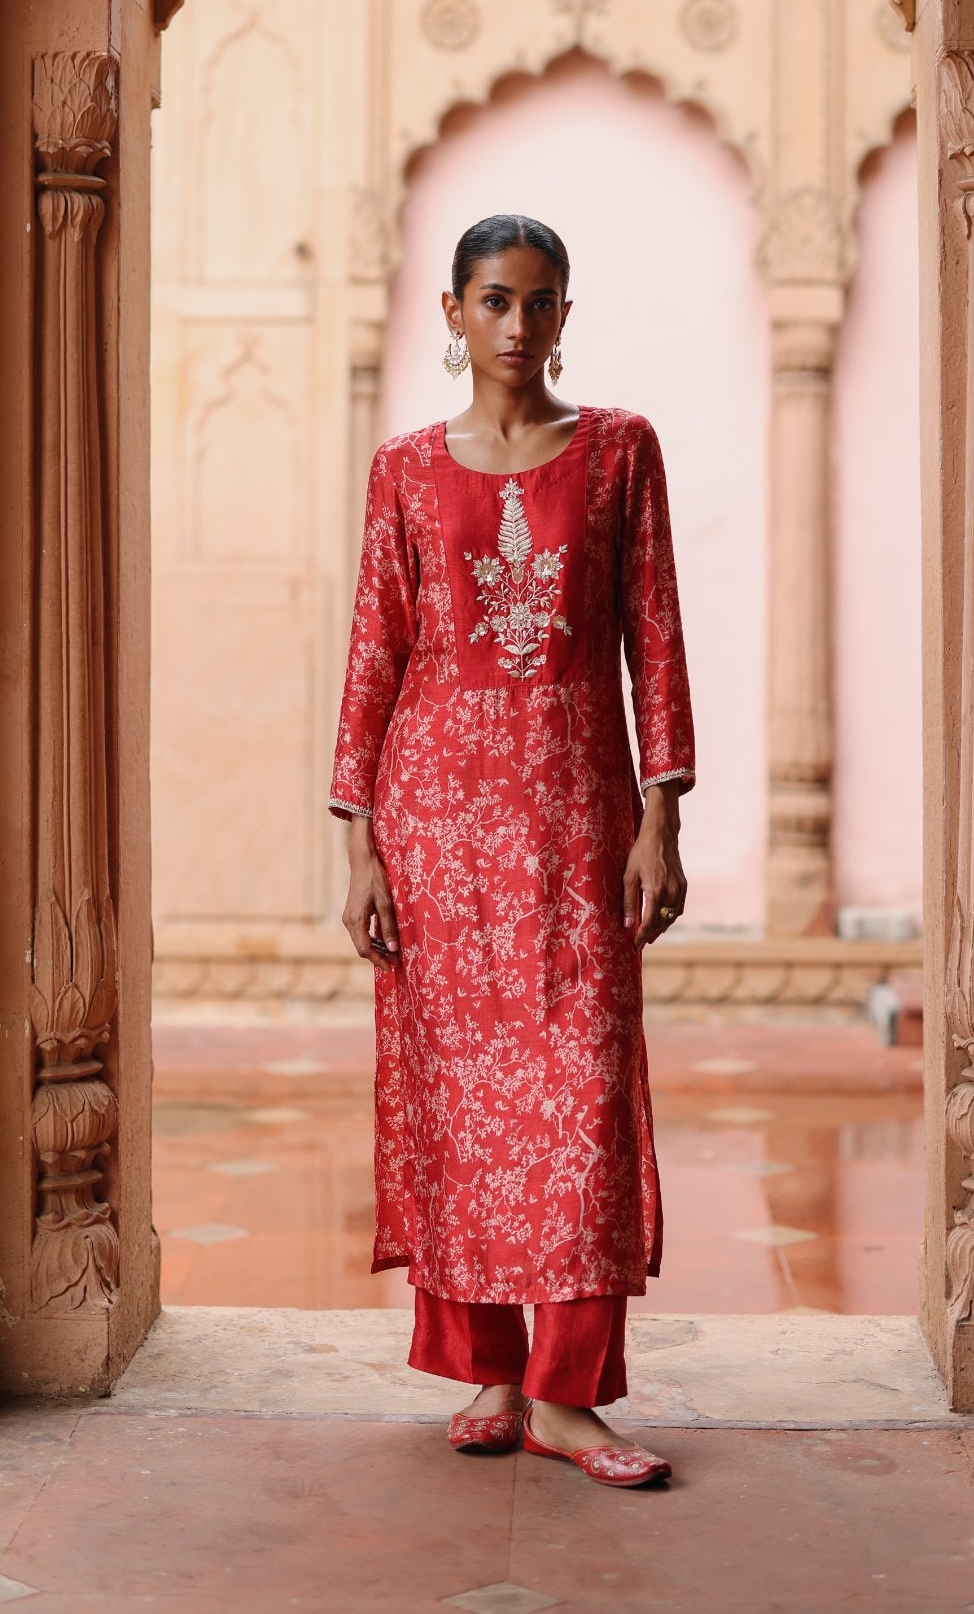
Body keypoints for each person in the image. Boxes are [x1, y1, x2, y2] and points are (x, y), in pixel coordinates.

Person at [329, 212, 693, 1489]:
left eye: (541, 303)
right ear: (452, 311)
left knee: (581, 1101)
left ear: (564, 316)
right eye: (495, 300)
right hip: (435, 826)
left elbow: (653, 631)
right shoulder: (405, 472)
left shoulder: (616, 454)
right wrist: (361, 841)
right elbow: (378, 647)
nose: (518, 325)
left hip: (581, 819)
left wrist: (664, 809)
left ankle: (570, 1393)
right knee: (459, 1104)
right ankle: (489, 1369)